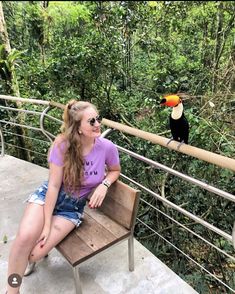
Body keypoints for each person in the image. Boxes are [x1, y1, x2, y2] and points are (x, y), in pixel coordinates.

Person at [6, 100, 121, 294]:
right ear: (78, 129)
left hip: (71, 209)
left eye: (98, 119)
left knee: (33, 254)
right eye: (91, 121)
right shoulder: (62, 145)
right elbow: (53, 185)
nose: (98, 124)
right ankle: (12, 289)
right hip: (50, 197)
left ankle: (27, 258)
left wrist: (104, 184)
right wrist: (46, 224)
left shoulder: (106, 147)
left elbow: (115, 170)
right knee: (23, 240)